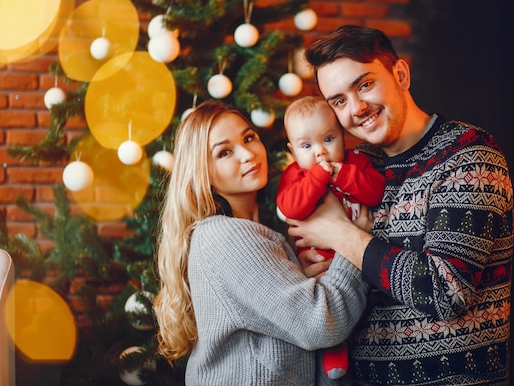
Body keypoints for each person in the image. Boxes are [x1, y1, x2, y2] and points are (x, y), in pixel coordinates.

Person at [287, 25, 514, 386]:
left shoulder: (468, 155)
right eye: (338, 101)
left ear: (401, 75)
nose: (357, 108)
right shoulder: (356, 167)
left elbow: (446, 293)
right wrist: (317, 261)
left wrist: (340, 235)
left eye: (364, 85)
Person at [153, 100, 367, 386]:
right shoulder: (226, 236)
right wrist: (352, 240)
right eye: (224, 152)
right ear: (202, 173)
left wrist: (296, 271)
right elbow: (320, 325)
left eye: (248, 137)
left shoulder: (253, 231)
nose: (247, 153)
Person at [276, 95, 386, 380]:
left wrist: (342, 175)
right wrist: (317, 179)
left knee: (366, 302)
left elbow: (374, 191)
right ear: (292, 150)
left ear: (342, 135)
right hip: (322, 262)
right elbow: (291, 207)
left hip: (360, 256)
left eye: (328, 139)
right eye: (306, 146)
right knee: (328, 303)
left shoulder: (356, 162)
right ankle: (334, 348)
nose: (320, 153)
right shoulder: (295, 174)